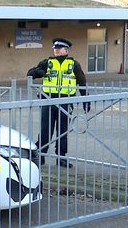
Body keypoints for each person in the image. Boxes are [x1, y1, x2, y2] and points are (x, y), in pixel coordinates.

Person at [27, 37, 90, 168]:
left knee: (62, 131)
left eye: (58, 48)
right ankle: (41, 156)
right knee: (45, 130)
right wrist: (39, 71)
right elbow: (30, 73)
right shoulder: (47, 62)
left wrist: (86, 100)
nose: (55, 50)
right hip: (48, 101)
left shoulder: (74, 64)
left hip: (66, 102)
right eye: (55, 48)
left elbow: (82, 82)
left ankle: (61, 158)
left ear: (66, 50)